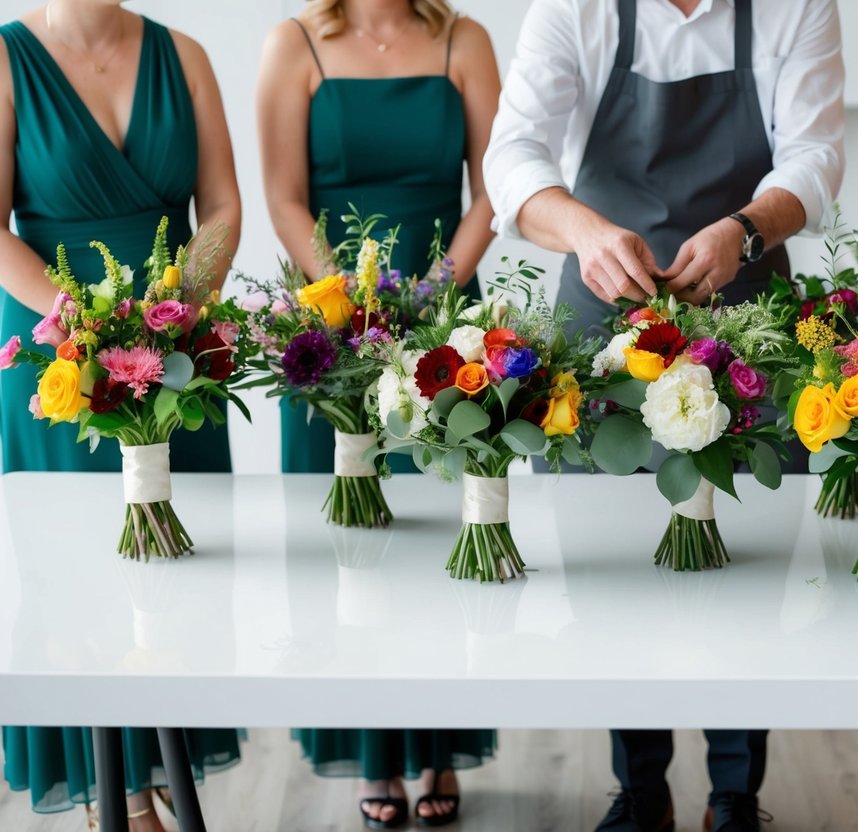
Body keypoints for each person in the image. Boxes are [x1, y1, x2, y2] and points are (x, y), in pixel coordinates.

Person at [484, 1, 844, 829]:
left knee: (747, 554)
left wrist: (745, 230)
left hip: (749, 309)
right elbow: (513, 152)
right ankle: (639, 787)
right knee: (609, 559)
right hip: (602, 313)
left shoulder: (796, 7)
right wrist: (579, 227)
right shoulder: (573, 8)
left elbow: (815, 154)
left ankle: (734, 795)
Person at [0, 0, 243, 828]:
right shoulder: (5, 61)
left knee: (180, 556)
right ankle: (122, 793)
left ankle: (167, 755)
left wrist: (175, 314)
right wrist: (93, 329)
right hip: (56, 345)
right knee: (77, 570)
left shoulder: (187, 54)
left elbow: (220, 208)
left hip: (175, 349)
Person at [256, 1, 499, 827]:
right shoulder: (292, 45)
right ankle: (373, 755)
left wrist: (434, 295)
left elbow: (495, 188)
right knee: (349, 541)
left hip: (446, 328)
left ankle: (438, 749)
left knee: (443, 527)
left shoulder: (465, 39)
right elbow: (284, 199)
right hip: (330, 329)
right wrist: (352, 305)